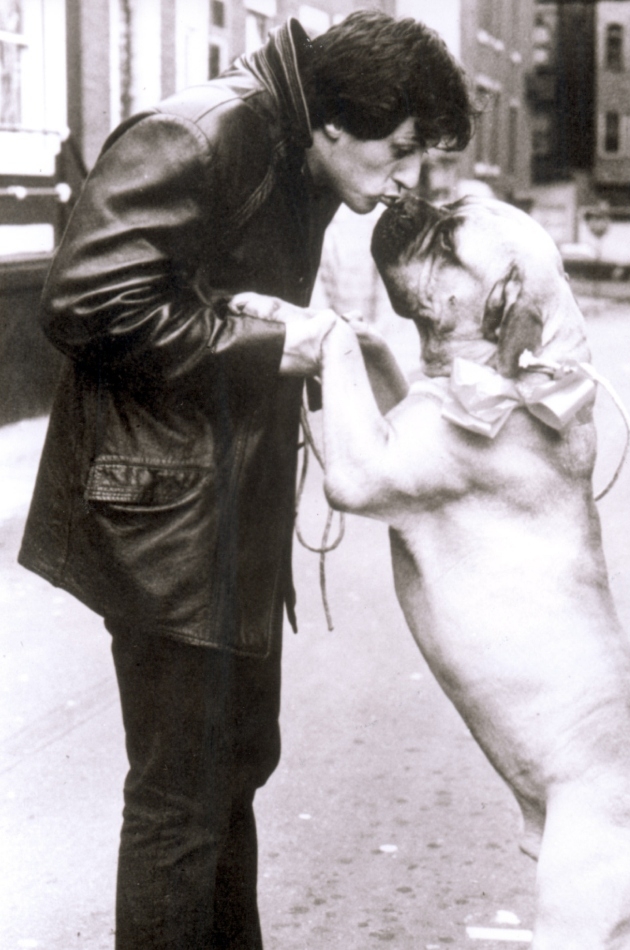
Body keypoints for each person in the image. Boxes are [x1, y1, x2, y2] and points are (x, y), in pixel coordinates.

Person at [18, 11, 472, 949]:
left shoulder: (297, 149)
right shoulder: (202, 133)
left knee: (232, 771)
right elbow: (82, 300)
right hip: (166, 520)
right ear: (336, 122)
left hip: (223, 508)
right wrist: (278, 345)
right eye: (397, 152)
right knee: (182, 801)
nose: (400, 181)